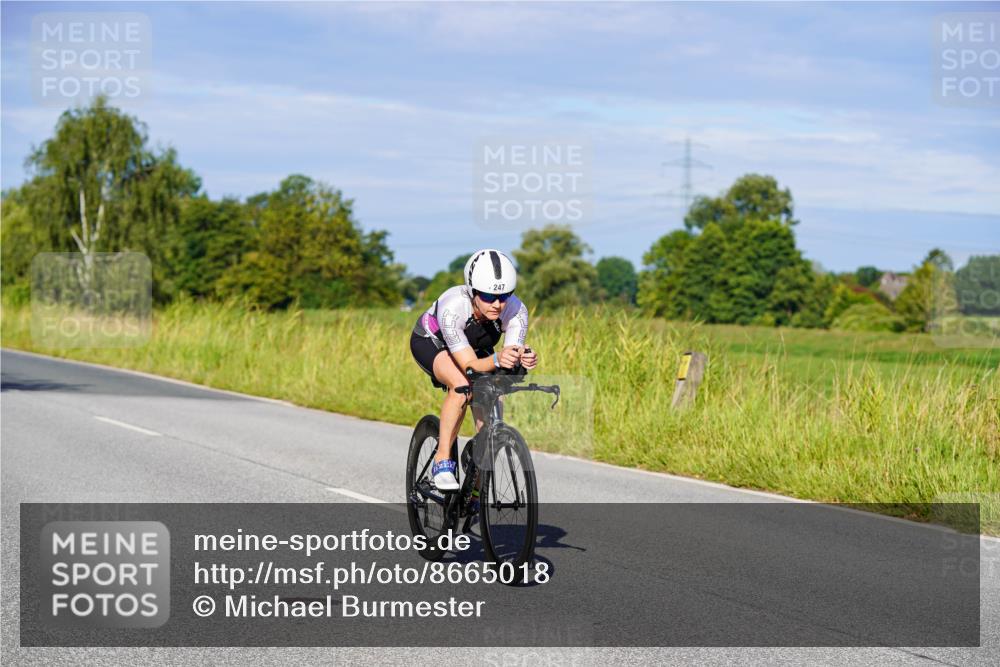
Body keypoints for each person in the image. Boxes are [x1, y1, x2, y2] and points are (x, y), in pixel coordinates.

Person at [409, 249, 538, 491]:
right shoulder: (453, 306)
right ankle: (443, 460)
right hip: (432, 341)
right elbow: (470, 365)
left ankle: (475, 488)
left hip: (473, 346)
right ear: (472, 291)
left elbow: (508, 356)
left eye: (504, 296)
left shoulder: (516, 310)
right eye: (489, 296)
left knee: (491, 396)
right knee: (462, 387)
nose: (498, 304)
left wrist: (521, 359)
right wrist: (499, 359)